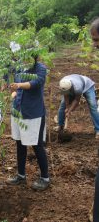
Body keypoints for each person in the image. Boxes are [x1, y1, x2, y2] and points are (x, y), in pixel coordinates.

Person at [7, 53, 50, 191]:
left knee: (37, 145)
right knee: (19, 143)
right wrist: (13, 92)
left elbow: (36, 83)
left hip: (33, 113)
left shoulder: (40, 68)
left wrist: (19, 85)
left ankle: (45, 178)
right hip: (18, 111)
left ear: (34, 56)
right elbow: (8, 77)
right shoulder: (19, 67)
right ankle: (21, 175)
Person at [56, 74, 99, 139]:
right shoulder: (62, 84)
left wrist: (70, 111)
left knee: (93, 106)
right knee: (63, 106)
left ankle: (98, 130)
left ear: (70, 88)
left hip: (87, 86)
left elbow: (76, 100)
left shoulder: (77, 88)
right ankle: (60, 125)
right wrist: (67, 107)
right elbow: (66, 96)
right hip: (75, 84)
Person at [90, 17, 99, 222]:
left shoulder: (81, 85)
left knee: (92, 106)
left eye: (97, 40)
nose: (94, 44)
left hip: (87, 88)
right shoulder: (67, 87)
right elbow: (67, 101)